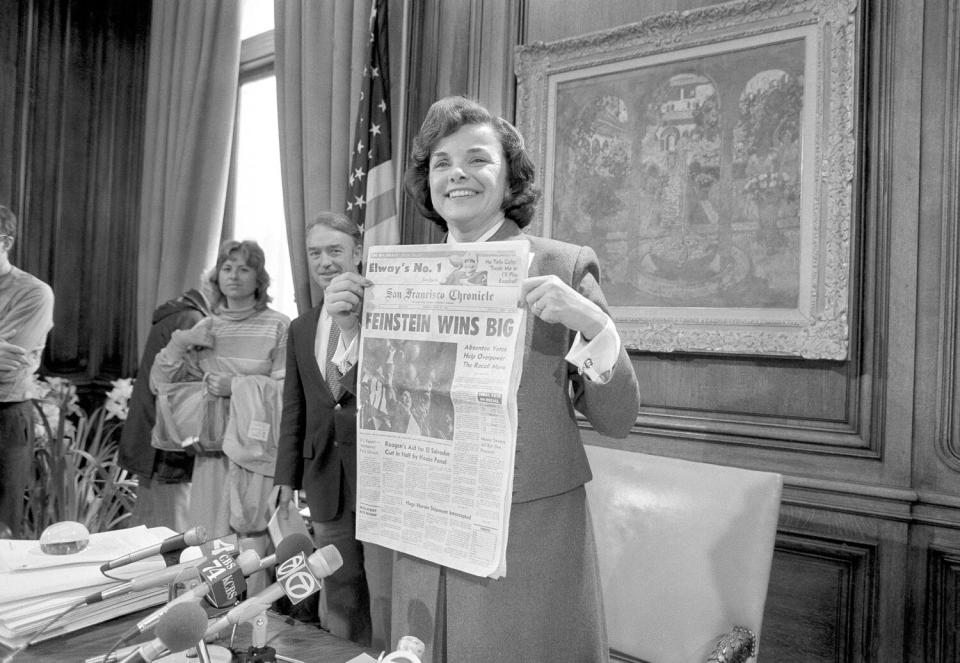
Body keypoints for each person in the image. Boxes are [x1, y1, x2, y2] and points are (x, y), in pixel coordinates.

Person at [391, 96, 641, 662]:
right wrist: (346, 328)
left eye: (477, 159)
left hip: (525, 534)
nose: (457, 173)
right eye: (440, 162)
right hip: (423, 526)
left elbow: (620, 418)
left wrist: (594, 325)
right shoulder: (401, 277)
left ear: (510, 179)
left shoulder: (562, 266)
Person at [273, 212, 392, 650]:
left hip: (381, 477)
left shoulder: (389, 314)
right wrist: (285, 478)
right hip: (323, 477)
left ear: (358, 253)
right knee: (338, 587)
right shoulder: (301, 327)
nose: (324, 261)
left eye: (335, 251)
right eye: (314, 252)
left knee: (383, 589)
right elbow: (295, 406)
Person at [151, 240, 288, 590]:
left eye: (244, 268)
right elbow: (160, 385)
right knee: (213, 543)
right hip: (211, 453)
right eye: (227, 268)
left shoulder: (278, 326)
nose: (234, 276)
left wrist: (236, 386)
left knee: (253, 544)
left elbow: (287, 392)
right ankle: (216, 622)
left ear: (260, 278)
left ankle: (257, 626)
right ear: (217, 276)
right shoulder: (205, 328)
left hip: (256, 455)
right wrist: (181, 341)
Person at [118, 286, 210, 531]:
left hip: (154, 442)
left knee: (150, 530)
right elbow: (188, 395)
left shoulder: (180, 314)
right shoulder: (194, 320)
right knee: (174, 534)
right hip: (170, 447)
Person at [0, 205, 54, 538]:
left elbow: (7, 368)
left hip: (4, 418)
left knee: (2, 536)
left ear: (4, 241)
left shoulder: (34, 292)